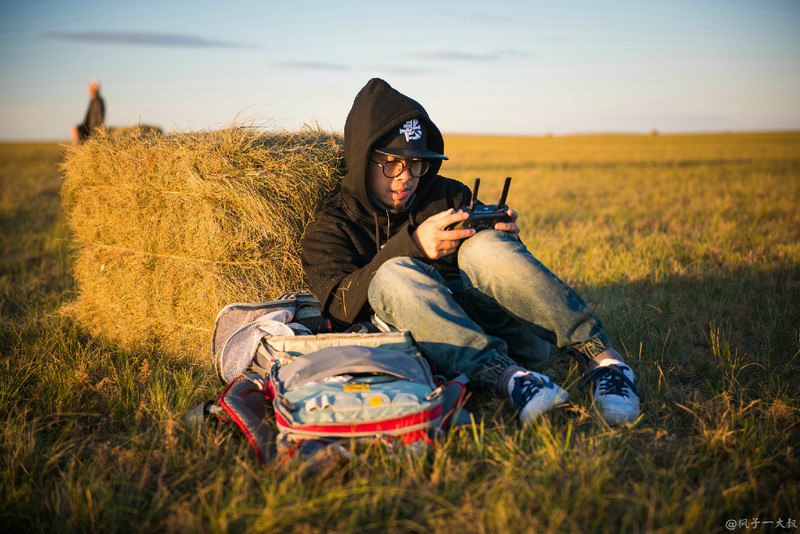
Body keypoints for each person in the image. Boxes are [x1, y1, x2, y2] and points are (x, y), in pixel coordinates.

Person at [300, 78, 641, 425]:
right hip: (439, 349)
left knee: (484, 247)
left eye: (416, 163)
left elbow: (507, 275)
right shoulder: (330, 228)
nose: (406, 178)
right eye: (391, 164)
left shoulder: (448, 195)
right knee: (393, 274)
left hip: (514, 338)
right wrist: (413, 245)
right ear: (362, 161)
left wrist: (507, 240)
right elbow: (340, 309)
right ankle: (513, 381)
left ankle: (607, 363)